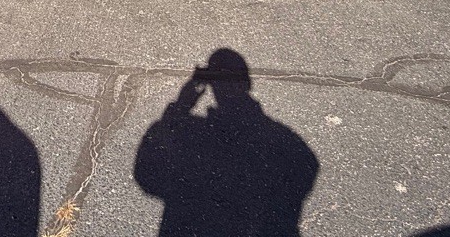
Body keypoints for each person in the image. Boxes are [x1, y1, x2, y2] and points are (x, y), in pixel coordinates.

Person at [135, 48, 319, 237]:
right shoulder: (290, 145)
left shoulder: (194, 134)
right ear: (247, 84)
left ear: (211, 85)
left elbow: (147, 173)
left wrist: (182, 105)